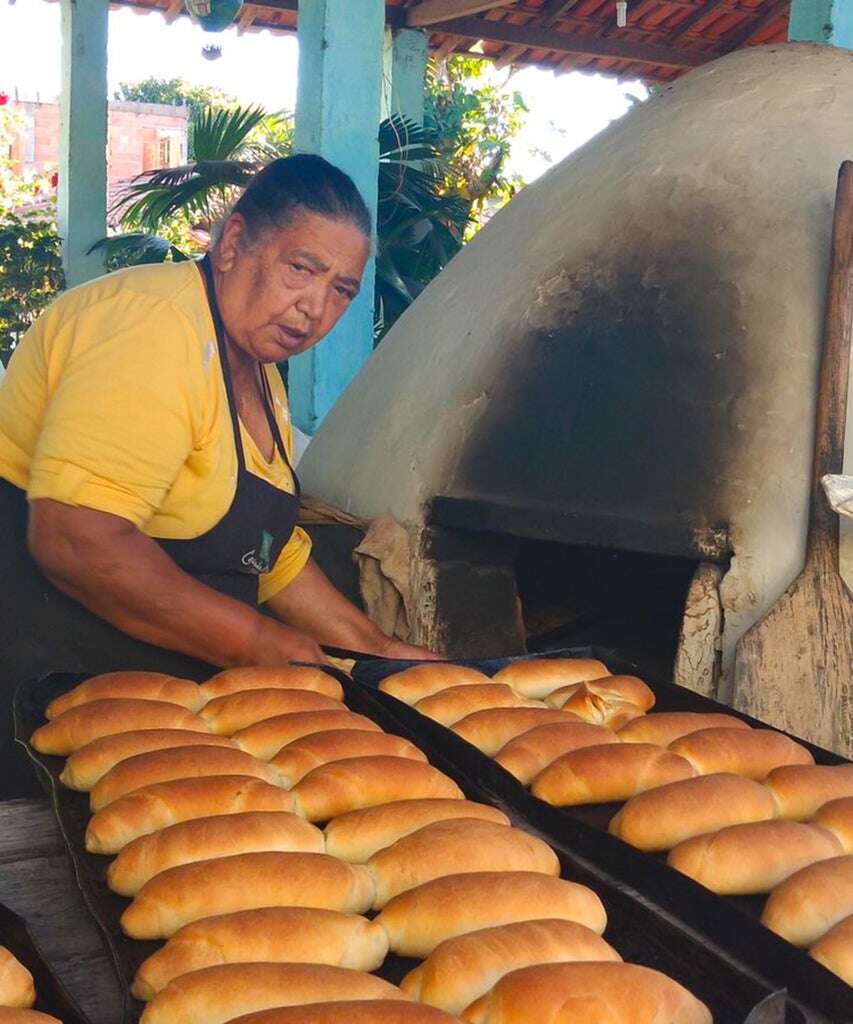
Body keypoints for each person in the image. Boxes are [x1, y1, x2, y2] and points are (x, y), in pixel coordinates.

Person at [0, 155, 434, 795]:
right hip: (47, 679)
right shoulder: (155, 328)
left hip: (156, 701)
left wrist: (375, 651)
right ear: (232, 244)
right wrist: (256, 640)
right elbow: (77, 539)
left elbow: (268, 552)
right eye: (300, 269)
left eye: (341, 289)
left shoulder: (257, 372)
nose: (313, 308)